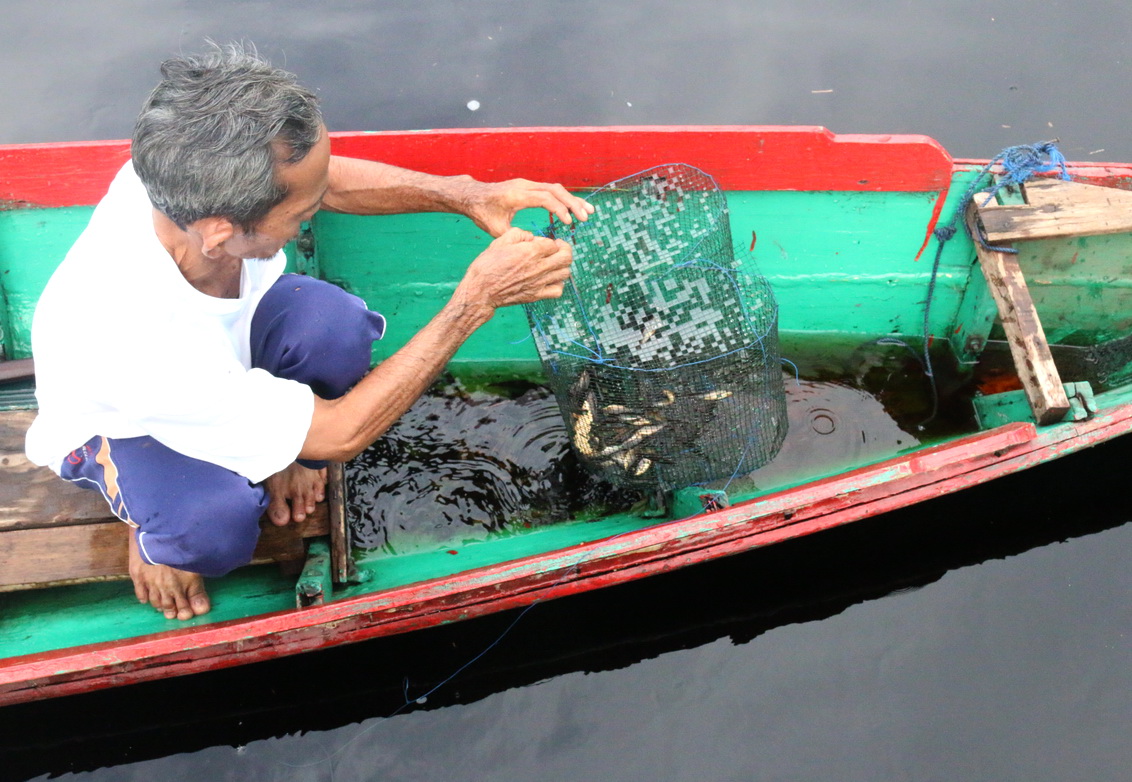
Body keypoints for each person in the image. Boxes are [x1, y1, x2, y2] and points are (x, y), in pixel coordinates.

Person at [25, 44, 592, 621]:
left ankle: (277, 443)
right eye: (301, 215)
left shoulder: (178, 174)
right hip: (121, 419)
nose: (314, 212)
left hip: (218, 358)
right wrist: (475, 303)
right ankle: (145, 521)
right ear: (222, 233)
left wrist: (466, 193)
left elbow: (324, 181)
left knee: (337, 329)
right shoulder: (135, 341)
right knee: (213, 528)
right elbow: (341, 435)